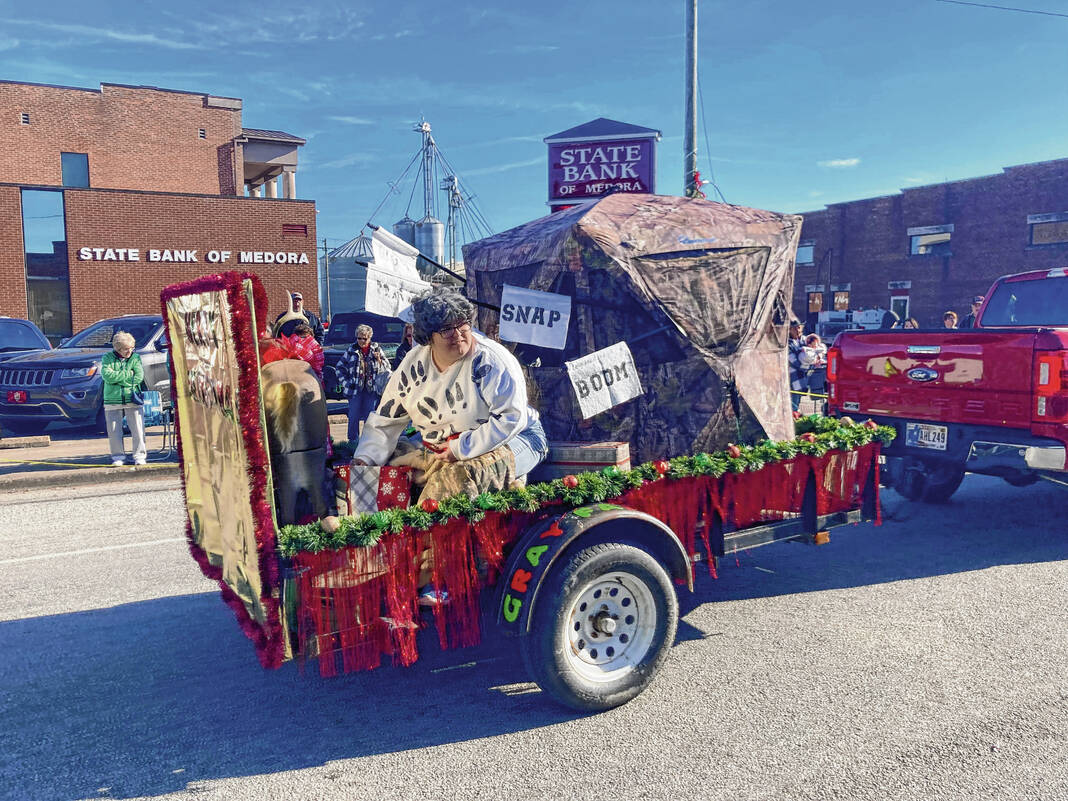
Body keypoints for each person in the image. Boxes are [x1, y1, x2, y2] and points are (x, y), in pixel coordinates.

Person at [353, 288, 548, 501]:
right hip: (443, 446)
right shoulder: (412, 366)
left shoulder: (491, 361)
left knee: (457, 478)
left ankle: (432, 531)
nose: (458, 334)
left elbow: (511, 418)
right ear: (428, 337)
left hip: (517, 437)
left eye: (462, 325)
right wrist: (366, 457)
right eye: (446, 329)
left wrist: (459, 449)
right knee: (393, 465)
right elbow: (387, 418)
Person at [337, 324, 391, 442]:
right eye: (359, 338)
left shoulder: (376, 349)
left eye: (364, 338)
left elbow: (387, 367)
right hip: (355, 389)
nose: (361, 341)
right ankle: (353, 442)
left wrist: (379, 360)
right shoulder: (351, 350)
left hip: (371, 390)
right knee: (353, 416)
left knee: (369, 417)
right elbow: (339, 367)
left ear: (370, 338)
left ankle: (367, 442)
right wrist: (346, 383)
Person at [101, 331, 147, 467]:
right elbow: (107, 376)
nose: (129, 351)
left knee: (138, 429)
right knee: (114, 430)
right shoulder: (107, 358)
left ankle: (139, 455)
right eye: (126, 349)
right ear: (117, 348)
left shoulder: (136, 358)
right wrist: (128, 375)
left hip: (132, 398)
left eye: (132, 348)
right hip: (112, 399)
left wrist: (118, 379)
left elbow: (138, 377)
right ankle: (118, 456)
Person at [787, 318, 807, 412]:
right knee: (794, 398)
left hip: (801, 375)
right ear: (789, 329)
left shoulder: (803, 340)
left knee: (798, 397)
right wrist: (806, 365)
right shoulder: (787, 343)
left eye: (799, 328)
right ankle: (793, 416)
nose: (798, 330)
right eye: (795, 328)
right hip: (792, 375)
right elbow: (792, 360)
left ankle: (795, 414)